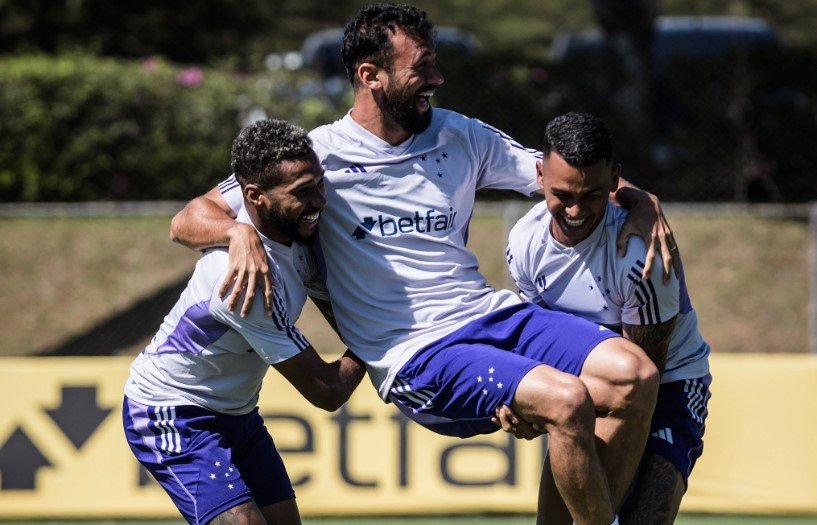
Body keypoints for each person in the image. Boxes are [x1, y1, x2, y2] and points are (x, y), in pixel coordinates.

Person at [170, 5, 679, 524]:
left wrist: (639, 196)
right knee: (566, 401)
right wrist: (236, 233)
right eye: (422, 66)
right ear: (370, 75)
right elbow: (188, 218)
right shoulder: (318, 160)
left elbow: (561, 174)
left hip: (488, 315)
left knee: (635, 374)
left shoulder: (461, 134)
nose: (436, 78)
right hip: (416, 355)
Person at [123, 119, 366, 525]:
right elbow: (327, 390)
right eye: (303, 193)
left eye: (319, 184)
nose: (321, 201)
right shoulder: (245, 283)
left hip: (238, 415)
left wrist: (237, 231)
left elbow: (189, 217)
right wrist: (384, 333)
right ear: (254, 196)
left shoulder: (276, 213)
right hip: (171, 410)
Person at [504, 112, 711, 525]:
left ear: (616, 179)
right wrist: (522, 399)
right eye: (563, 194)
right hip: (585, 386)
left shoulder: (642, 258)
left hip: (667, 388)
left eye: (592, 195)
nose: (576, 210)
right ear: (541, 175)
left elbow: (639, 377)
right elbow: (540, 338)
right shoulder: (525, 242)